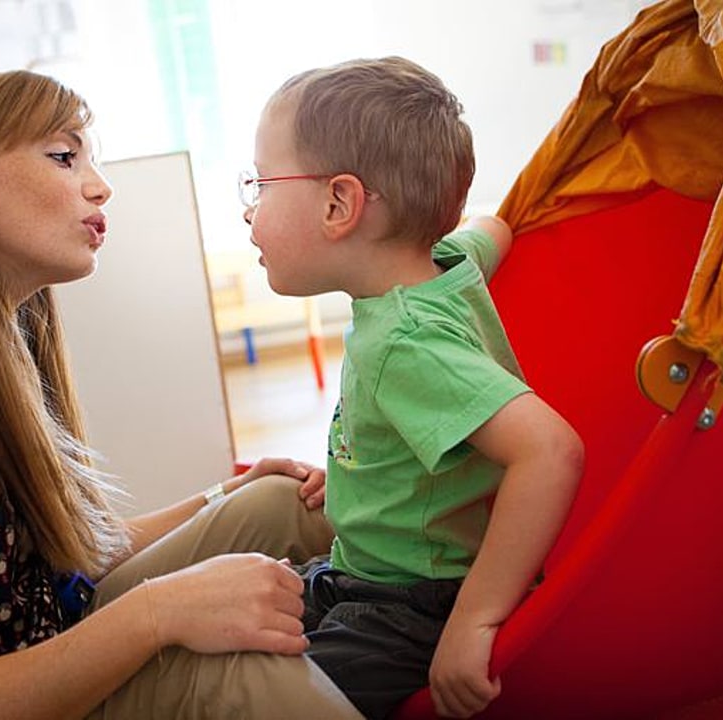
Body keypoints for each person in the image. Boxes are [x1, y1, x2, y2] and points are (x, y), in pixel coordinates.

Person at [0, 69, 363, 719]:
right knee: (232, 674)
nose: (100, 185)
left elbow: (69, 550)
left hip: (45, 634)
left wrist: (226, 492)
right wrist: (164, 611)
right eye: (64, 156)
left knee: (281, 501)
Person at [240, 56, 585, 719]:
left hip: (414, 604)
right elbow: (496, 230)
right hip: (364, 568)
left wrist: (475, 622)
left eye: (261, 183)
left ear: (339, 203)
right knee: (241, 619)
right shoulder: (447, 263)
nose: (251, 208)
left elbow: (550, 451)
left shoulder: (406, 342)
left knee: (259, 700)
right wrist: (359, 473)